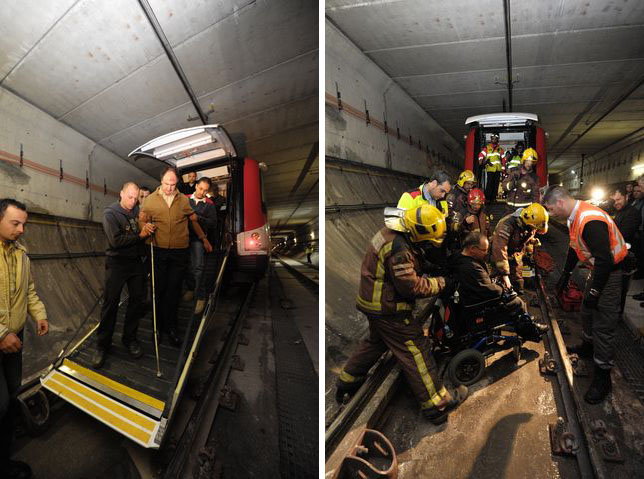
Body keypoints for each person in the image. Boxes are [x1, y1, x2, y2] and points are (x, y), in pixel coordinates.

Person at [336, 205, 468, 425]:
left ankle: (348, 381)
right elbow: (411, 287)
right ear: (419, 233)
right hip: (387, 308)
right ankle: (437, 404)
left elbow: (410, 262)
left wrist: (428, 265)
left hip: (373, 303)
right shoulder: (399, 248)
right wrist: (442, 282)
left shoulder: (397, 233)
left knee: (376, 342)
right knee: (416, 349)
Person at [545, 186, 627, 404]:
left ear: (560, 203)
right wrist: (565, 274)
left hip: (609, 275)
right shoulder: (574, 217)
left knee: (603, 325)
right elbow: (574, 247)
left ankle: (603, 376)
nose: (551, 215)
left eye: (551, 210)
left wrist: (595, 290)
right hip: (597, 271)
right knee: (587, 313)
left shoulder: (590, 220)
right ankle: (588, 348)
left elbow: (605, 261)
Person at [0, 199, 49, 479]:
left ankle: (4, 463)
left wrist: (38, 313)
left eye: (24, 224)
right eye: (14, 223)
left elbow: (28, 291)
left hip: (14, 341)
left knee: (10, 401)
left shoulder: (21, 254)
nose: (21, 229)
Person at [140, 168, 212, 346]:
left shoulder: (183, 201)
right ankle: (157, 327)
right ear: (161, 181)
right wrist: (145, 226)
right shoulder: (149, 200)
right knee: (158, 291)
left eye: (173, 184)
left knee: (174, 291)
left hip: (179, 253)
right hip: (158, 251)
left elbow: (193, 221)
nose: (169, 188)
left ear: (177, 183)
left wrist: (203, 239)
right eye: (166, 184)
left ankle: (171, 327)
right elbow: (142, 218)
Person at [93, 183, 156, 368]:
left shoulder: (137, 210)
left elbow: (143, 229)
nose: (132, 201)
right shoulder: (110, 213)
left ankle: (129, 339)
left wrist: (148, 229)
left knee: (137, 302)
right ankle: (102, 344)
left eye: (135, 198)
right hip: (117, 263)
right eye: (129, 197)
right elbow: (115, 241)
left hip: (136, 263)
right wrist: (141, 236)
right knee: (110, 303)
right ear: (121, 194)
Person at [449, 232, 547, 338]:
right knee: (517, 302)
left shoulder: (459, 257)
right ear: (472, 248)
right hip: (478, 306)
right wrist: (504, 289)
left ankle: (527, 323)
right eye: (484, 250)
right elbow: (489, 290)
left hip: (469, 299)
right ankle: (530, 332)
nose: (486, 253)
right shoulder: (471, 267)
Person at [489, 203, 549, 294]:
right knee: (500, 287)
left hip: (515, 257)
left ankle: (520, 287)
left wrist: (531, 244)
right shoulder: (506, 225)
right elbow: (499, 249)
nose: (534, 229)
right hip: (499, 258)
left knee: (519, 286)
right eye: (533, 227)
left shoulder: (530, 225)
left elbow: (525, 238)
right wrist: (505, 274)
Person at [184, 177, 218, 315]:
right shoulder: (184, 199)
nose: (202, 192)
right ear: (196, 186)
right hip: (182, 238)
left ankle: (201, 297)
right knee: (186, 266)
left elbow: (213, 223)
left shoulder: (209, 204)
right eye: (200, 188)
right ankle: (191, 289)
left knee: (198, 267)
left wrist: (198, 218)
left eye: (205, 190)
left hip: (198, 239)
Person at [502, 148, 540, 213]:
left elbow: (535, 196)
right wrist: (512, 184)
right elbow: (504, 186)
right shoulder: (513, 171)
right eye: (528, 161)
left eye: (532, 162)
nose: (530, 164)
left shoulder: (534, 178)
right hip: (510, 210)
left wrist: (534, 211)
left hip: (525, 212)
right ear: (524, 160)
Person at [478, 133, 504, 204]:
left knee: (496, 184)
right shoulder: (487, 148)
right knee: (489, 184)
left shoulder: (500, 149)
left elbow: (503, 160)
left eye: (495, 139)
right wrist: (481, 161)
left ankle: (493, 198)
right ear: (491, 139)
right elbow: (481, 155)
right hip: (490, 169)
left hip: (498, 169)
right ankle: (488, 198)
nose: (494, 140)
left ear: (497, 140)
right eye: (493, 138)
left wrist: (503, 170)